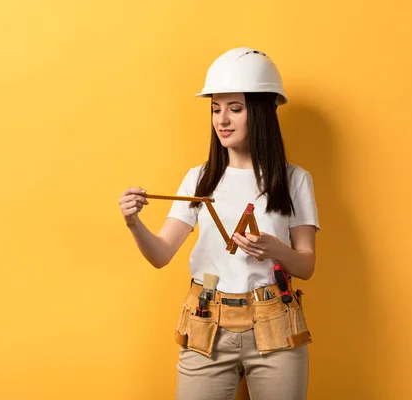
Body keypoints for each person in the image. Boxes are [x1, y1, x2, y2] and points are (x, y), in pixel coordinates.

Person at [118, 47, 320, 400]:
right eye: (215, 109)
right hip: (205, 319)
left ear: (260, 113)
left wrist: (275, 248)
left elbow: (307, 265)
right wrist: (134, 223)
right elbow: (161, 254)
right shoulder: (200, 179)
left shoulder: (295, 180)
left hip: (275, 321)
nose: (222, 120)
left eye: (235, 109)